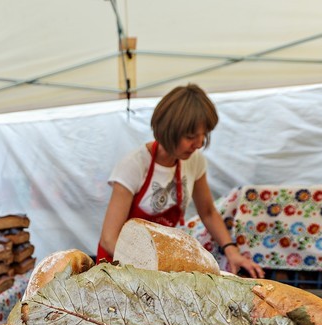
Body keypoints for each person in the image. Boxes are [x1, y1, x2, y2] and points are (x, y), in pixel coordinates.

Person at [98, 84, 264, 278]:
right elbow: (109, 239)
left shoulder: (194, 161)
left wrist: (231, 251)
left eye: (204, 135)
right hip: (119, 268)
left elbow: (208, 212)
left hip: (158, 266)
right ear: (169, 131)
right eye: (191, 136)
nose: (199, 143)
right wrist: (148, 270)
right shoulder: (134, 166)